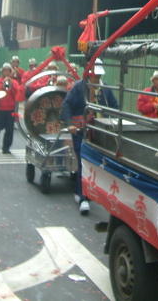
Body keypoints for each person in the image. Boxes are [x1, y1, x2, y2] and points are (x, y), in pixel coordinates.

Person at [60, 59, 119, 215]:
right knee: (82, 161)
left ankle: (88, 190)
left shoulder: (105, 89)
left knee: (97, 163)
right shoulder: (78, 87)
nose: (97, 78)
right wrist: (69, 123)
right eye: (95, 75)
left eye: (99, 75)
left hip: (99, 132)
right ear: (88, 74)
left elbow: (114, 107)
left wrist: (114, 120)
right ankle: (82, 196)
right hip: (80, 131)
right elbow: (66, 105)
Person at [0, 63, 21, 154]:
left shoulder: (14, 82)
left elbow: (17, 95)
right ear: (2, 71)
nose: (6, 73)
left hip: (10, 109)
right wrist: (2, 86)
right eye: (5, 71)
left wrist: (12, 86)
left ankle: (6, 147)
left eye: (8, 71)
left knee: (9, 130)